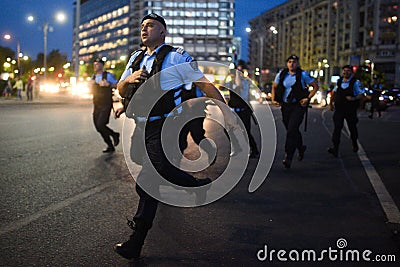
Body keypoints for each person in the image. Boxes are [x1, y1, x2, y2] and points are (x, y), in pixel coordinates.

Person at [114, 13, 229, 261]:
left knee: (148, 179)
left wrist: (225, 111)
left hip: (165, 126)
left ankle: (137, 239)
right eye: (143, 26)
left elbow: (205, 84)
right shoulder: (135, 57)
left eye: (151, 25)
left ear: (163, 31)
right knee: (152, 172)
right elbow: (121, 87)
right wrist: (130, 80)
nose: (145, 29)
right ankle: (197, 185)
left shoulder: (175, 57)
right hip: (140, 125)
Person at [271, 55, 319, 168]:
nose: (292, 64)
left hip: (298, 106)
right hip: (286, 106)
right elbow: (274, 86)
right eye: (290, 62)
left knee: (291, 130)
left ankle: (288, 156)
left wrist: (307, 98)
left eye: (294, 62)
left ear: (297, 64)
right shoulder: (282, 74)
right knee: (291, 129)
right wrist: (273, 99)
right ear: (287, 63)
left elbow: (315, 86)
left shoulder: (303, 75)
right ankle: (300, 147)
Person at [328, 65, 365, 157]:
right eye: (344, 71)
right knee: (337, 128)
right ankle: (335, 148)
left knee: (352, 128)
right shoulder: (339, 81)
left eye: (348, 71)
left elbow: (361, 94)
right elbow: (334, 92)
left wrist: (353, 98)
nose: (345, 72)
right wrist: (330, 103)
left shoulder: (356, 83)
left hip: (350, 110)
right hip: (339, 109)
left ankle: (354, 143)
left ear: (351, 72)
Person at [90, 58, 120, 153]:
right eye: (94, 64)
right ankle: (110, 144)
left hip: (106, 104)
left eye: (97, 64)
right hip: (96, 104)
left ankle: (114, 136)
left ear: (102, 65)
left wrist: (109, 85)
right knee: (98, 127)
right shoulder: (93, 77)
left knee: (101, 124)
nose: (95, 66)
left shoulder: (108, 75)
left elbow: (117, 85)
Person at [229, 64, 259, 158]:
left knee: (245, 132)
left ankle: (254, 150)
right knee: (229, 130)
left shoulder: (245, 82)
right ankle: (237, 148)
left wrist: (238, 74)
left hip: (244, 111)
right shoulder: (230, 83)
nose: (234, 75)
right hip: (234, 110)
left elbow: (239, 85)